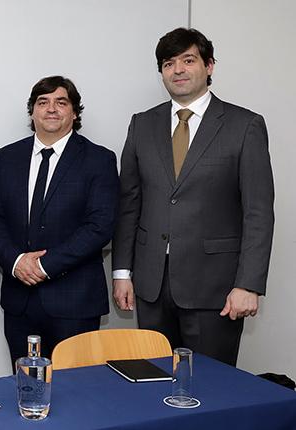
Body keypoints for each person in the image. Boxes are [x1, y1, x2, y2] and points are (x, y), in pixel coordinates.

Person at [112, 28, 274, 366]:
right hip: (151, 284)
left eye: (188, 60)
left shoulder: (244, 125)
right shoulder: (142, 124)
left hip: (215, 287)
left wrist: (249, 284)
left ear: (209, 66)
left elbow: (258, 212)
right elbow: (129, 203)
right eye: (169, 64)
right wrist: (122, 273)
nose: (178, 70)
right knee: (155, 385)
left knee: (211, 389)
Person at [0, 76, 119, 363]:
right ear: (32, 111)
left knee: (75, 393)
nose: (51, 109)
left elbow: (99, 227)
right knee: (25, 388)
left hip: (75, 301)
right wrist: (17, 262)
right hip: (19, 300)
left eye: (61, 102)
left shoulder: (99, 159)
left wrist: (44, 265)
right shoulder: (8, 157)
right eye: (42, 102)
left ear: (74, 112)